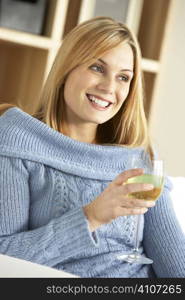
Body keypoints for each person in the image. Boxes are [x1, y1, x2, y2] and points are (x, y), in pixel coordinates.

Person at [0, 17, 184, 278]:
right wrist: (90, 217)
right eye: (97, 68)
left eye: (123, 77)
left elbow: (176, 269)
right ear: (67, 68)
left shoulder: (139, 156)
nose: (109, 87)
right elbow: (3, 258)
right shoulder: (17, 138)